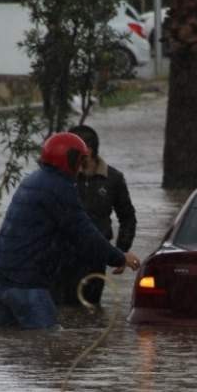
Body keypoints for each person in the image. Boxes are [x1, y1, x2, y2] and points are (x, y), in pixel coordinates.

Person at [0, 132, 141, 330]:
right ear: (71, 160)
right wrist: (120, 257)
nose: (81, 167)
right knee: (48, 344)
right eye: (80, 160)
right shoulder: (59, 187)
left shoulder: (33, 179)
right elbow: (85, 234)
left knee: (10, 349)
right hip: (26, 283)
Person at [51, 124, 138, 307]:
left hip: (96, 258)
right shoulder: (61, 177)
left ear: (88, 151)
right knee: (60, 310)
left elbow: (127, 217)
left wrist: (121, 250)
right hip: (62, 257)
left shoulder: (113, 179)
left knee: (89, 310)